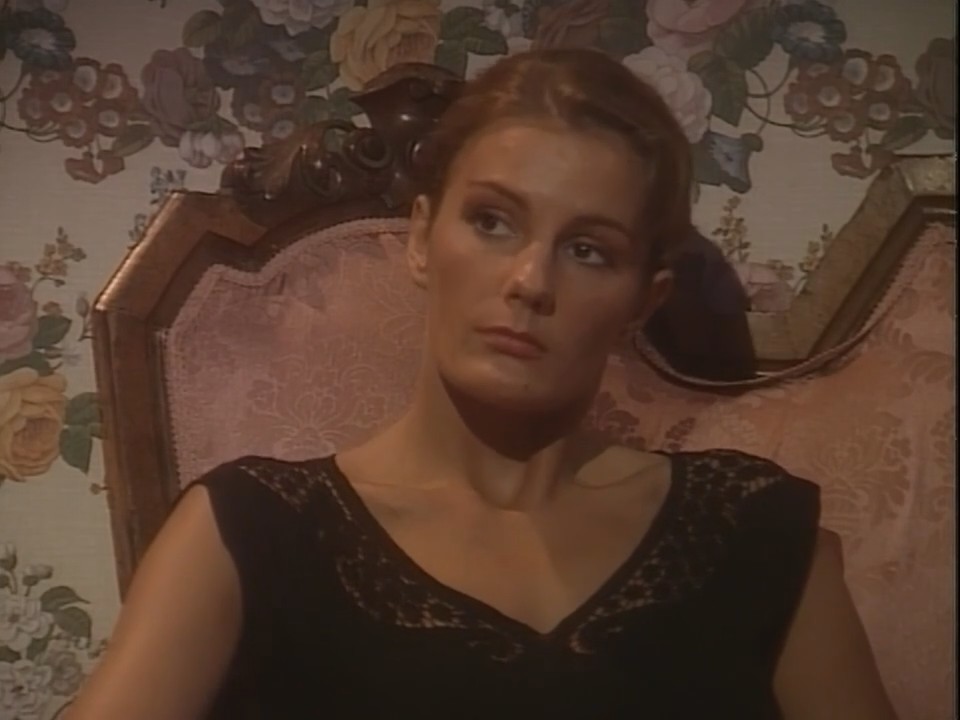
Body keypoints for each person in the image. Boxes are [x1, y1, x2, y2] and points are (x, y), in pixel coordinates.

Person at [66, 48, 897, 720]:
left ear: (642, 303)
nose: (530, 281)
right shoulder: (250, 531)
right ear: (422, 239)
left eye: (589, 250)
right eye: (493, 221)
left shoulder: (753, 529)